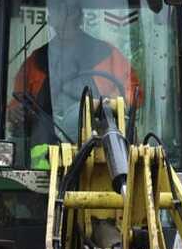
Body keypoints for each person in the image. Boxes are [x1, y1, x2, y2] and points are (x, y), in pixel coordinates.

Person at [10, 10, 143, 165]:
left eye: (69, 12)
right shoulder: (37, 60)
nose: (65, 19)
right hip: (46, 157)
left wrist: (114, 103)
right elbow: (17, 102)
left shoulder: (107, 54)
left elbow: (134, 92)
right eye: (60, 12)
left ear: (79, 17)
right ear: (50, 19)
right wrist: (15, 111)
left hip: (105, 151)